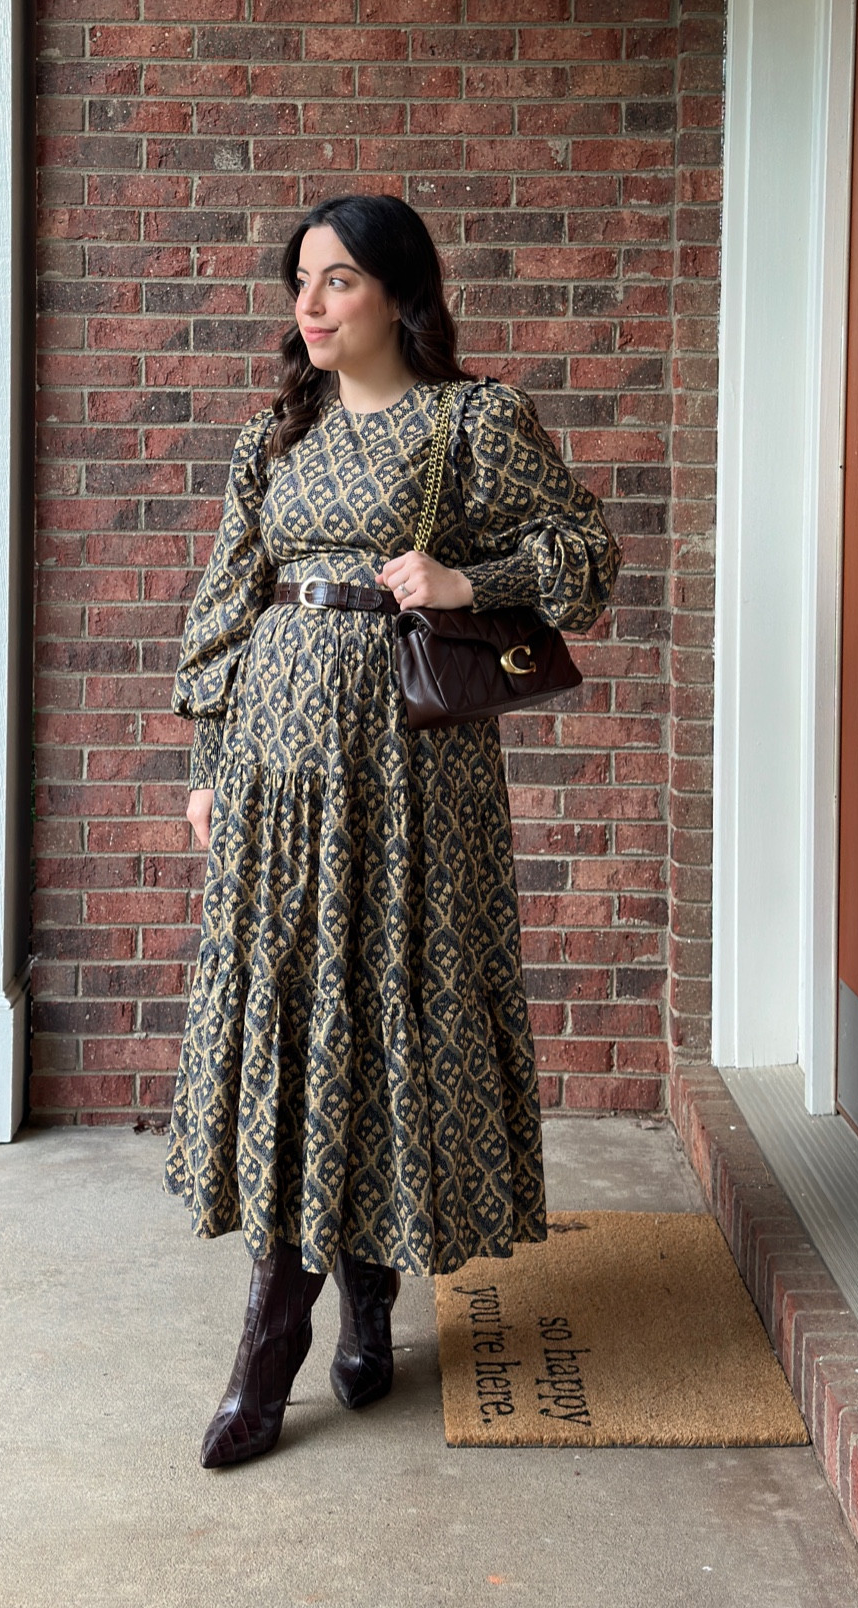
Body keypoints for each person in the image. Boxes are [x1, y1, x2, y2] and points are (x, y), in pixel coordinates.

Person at [167, 193, 620, 1469]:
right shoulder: (274, 440)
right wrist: (211, 758)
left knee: (384, 1010)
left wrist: (472, 582)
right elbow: (227, 596)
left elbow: (587, 552)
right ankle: (296, 1329)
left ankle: (321, 1320)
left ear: (401, 296)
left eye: (339, 283)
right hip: (276, 764)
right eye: (299, 282)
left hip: (414, 781)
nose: (310, 307)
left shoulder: (475, 423)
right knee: (304, 1016)